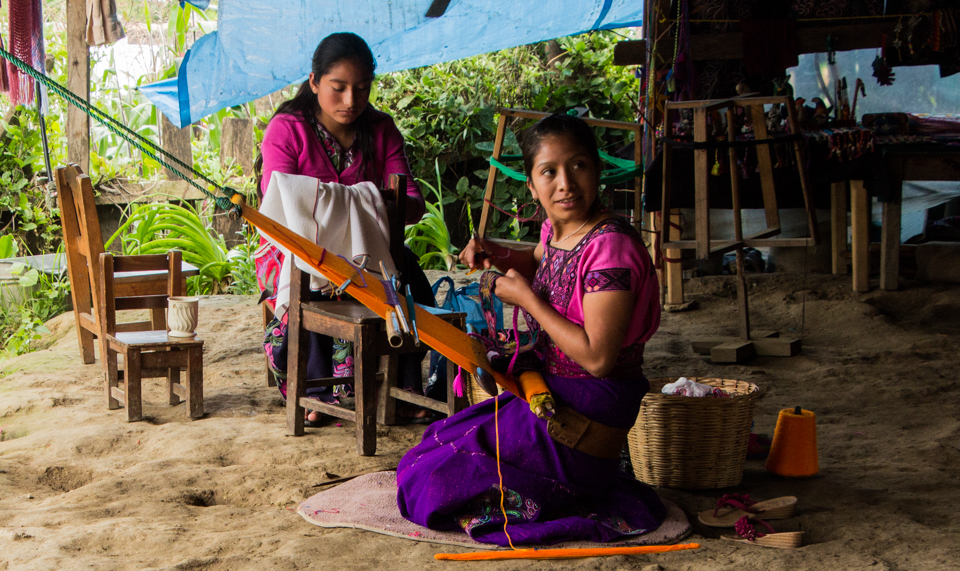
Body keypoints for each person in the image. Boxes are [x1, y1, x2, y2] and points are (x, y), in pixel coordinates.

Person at [396, 113, 666, 546]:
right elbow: (541, 258)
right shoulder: (561, 229)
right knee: (433, 445)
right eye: (549, 172)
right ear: (531, 185)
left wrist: (528, 300)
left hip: (591, 409)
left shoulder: (610, 248)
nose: (566, 184)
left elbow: (598, 359)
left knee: (434, 481)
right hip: (556, 393)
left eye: (578, 166)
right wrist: (497, 252)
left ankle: (578, 481)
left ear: (598, 170)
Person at [255, 32, 433, 424]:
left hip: (368, 253)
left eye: (362, 88)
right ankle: (318, 391)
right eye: (338, 88)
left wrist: (367, 202)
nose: (351, 100)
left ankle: (402, 390)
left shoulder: (381, 129)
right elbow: (278, 204)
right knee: (315, 278)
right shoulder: (287, 129)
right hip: (295, 251)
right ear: (314, 81)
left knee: (407, 281)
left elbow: (414, 202)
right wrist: (361, 200)